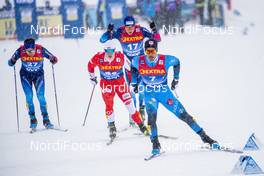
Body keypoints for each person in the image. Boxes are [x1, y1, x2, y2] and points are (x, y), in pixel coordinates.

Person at [131, 39, 218, 155]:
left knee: (184, 116)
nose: (150, 54)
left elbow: (177, 62)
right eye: (148, 52)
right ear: (145, 52)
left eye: (152, 51)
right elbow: (132, 66)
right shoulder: (139, 60)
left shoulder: (165, 60)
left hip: (164, 93)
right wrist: (134, 82)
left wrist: (176, 79)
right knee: (151, 120)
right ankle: (155, 144)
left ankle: (205, 137)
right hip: (149, 94)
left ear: (156, 51)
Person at [100, 16, 161, 126]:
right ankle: (133, 114)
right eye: (127, 27)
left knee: (142, 88)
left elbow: (157, 39)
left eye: (131, 26)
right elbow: (102, 40)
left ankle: (142, 108)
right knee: (131, 90)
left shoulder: (140, 30)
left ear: (134, 25)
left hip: (141, 63)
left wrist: (154, 30)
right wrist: (109, 31)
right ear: (124, 26)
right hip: (128, 64)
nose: (130, 29)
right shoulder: (120, 32)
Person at [87, 41, 149, 139]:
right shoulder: (99, 57)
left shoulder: (121, 57)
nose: (110, 53)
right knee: (109, 105)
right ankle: (112, 127)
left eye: (112, 50)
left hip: (120, 84)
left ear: (115, 50)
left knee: (130, 105)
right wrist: (92, 77)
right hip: (106, 84)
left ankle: (141, 126)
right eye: (107, 51)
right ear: (105, 50)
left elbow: (131, 68)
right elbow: (90, 65)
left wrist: (133, 81)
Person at [8, 38, 58, 130]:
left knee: (41, 97)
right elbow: (10, 61)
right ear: (25, 49)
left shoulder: (40, 49)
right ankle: (33, 119)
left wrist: (53, 59)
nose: (30, 53)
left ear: (35, 48)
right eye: (28, 51)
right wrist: (12, 61)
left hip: (38, 76)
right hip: (25, 76)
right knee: (29, 96)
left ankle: (46, 120)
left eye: (32, 50)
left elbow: (53, 57)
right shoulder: (21, 50)